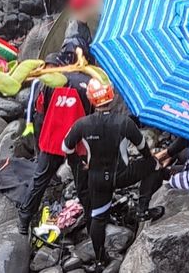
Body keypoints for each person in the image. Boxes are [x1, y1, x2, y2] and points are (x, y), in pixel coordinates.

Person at [63, 83, 164, 271]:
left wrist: (80, 162)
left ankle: (100, 260)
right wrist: (149, 160)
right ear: (111, 97)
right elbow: (143, 147)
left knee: (98, 218)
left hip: (97, 178)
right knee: (155, 165)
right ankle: (142, 209)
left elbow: (66, 148)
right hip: (123, 175)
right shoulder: (124, 122)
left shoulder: (82, 124)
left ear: (92, 100)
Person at [18, 53, 94, 235]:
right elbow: (92, 114)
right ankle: (92, 221)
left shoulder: (50, 82)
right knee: (83, 184)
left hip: (53, 139)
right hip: (78, 141)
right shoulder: (89, 82)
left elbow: (40, 110)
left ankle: (24, 219)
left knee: (39, 180)